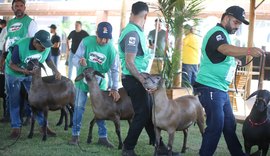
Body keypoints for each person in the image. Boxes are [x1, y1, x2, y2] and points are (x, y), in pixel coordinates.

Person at [193, 6, 264, 156]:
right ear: (226, 18)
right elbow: (224, 49)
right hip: (209, 87)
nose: (237, 26)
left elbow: (222, 55)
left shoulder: (224, 34)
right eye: (236, 22)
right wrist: (249, 50)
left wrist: (233, 61)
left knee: (229, 125)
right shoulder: (217, 33)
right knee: (216, 125)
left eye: (239, 24)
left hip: (219, 89)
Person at [119, 2, 178, 156]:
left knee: (148, 112)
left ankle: (159, 147)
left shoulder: (136, 31)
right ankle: (128, 147)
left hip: (138, 77)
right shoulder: (132, 33)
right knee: (143, 113)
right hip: (134, 79)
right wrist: (143, 81)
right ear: (145, 16)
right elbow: (129, 62)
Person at [68, 22, 120, 148]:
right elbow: (74, 59)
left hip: (99, 83)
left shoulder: (112, 50)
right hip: (83, 80)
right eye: (101, 37)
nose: (103, 40)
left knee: (100, 110)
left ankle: (103, 137)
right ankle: (75, 135)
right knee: (79, 107)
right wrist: (80, 62)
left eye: (106, 38)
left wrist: (114, 88)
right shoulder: (86, 42)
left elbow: (114, 70)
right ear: (96, 33)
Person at [5, 30, 61, 139]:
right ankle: (16, 127)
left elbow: (48, 61)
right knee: (14, 100)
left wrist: (55, 70)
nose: (44, 48)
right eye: (42, 46)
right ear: (35, 42)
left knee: (38, 99)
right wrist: (23, 71)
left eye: (46, 45)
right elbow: (12, 65)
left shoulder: (46, 46)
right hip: (13, 73)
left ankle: (43, 126)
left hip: (31, 74)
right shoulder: (20, 46)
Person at [0, 0, 38, 123]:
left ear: (25, 7)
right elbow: (6, 42)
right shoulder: (10, 23)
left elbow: (33, 43)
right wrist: (2, 59)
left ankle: (28, 116)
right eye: (16, 6)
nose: (19, 8)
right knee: (10, 92)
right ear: (12, 8)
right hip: (10, 64)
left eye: (21, 6)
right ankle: (9, 116)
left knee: (27, 92)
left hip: (25, 63)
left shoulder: (30, 22)